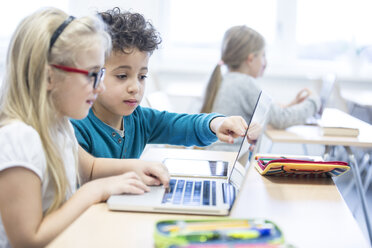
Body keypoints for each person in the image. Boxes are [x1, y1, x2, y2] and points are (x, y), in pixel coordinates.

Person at [0, 8, 169, 248]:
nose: (99, 88)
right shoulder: (19, 138)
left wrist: (139, 168)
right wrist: (94, 191)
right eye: (91, 75)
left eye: (100, 74)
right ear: (49, 77)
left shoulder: (58, 125)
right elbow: (28, 239)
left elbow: (90, 168)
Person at [71, 8, 249, 160]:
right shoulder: (78, 126)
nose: (135, 87)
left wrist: (216, 123)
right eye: (122, 76)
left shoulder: (138, 119)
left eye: (142, 76)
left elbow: (181, 125)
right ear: (94, 73)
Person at [201, 25, 320, 145]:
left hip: (220, 154)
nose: (265, 62)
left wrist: (290, 105)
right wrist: (313, 103)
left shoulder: (225, 79)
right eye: (263, 55)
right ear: (251, 59)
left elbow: (269, 115)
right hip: (231, 156)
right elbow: (280, 119)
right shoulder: (244, 83)